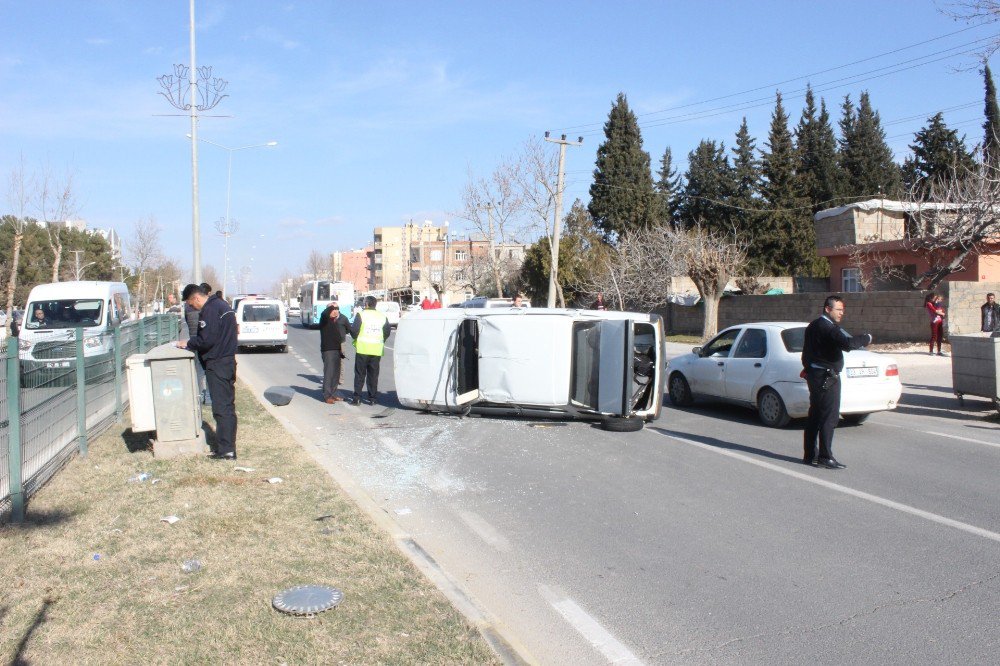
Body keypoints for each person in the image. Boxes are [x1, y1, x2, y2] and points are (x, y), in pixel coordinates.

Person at [801, 295, 873, 470]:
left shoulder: (813, 325)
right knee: (829, 416)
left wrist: (810, 369)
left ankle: (810, 454)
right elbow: (848, 344)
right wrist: (867, 338)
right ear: (827, 309)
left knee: (816, 414)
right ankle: (825, 456)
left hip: (816, 374)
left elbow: (807, 353)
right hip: (826, 377)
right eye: (838, 310)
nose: (842, 313)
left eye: (843, 310)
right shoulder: (828, 327)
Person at [177, 283, 239, 460]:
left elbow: (207, 339)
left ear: (196, 298)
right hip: (227, 361)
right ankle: (227, 446)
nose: (190, 307)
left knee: (221, 407)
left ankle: (226, 449)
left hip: (218, 363)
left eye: (190, 303)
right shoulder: (222, 305)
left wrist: (188, 343)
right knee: (227, 405)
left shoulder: (210, 310)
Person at [348, 295, 391, 406]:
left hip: (363, 349)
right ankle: (372, 398)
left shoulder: (361, 315)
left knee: (360, 375)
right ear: (375, 304)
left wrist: (356, 338)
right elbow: (387, 332)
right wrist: (381, 340)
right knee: (373, 375)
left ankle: (357, 398)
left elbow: (354, 331)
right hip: (376, 350)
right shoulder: (382, 316)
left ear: (366, 304)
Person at [318, 300, 349, 403]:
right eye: (333, 309)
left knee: (336, 373)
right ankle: (327, 396)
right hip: (328, 350)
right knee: (329, 373)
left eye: (337, 309)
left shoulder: (336, 321)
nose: (336, 311)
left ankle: (334, 393)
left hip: (336, 350)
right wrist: (330, 307)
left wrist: (340, 351)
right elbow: (324, 313)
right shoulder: (325, 319)